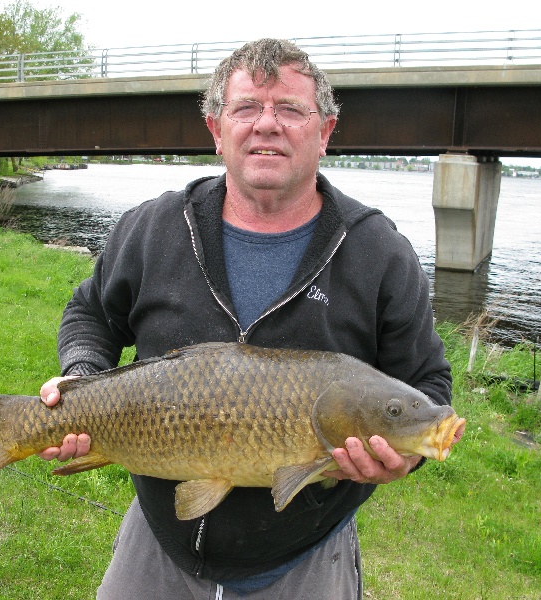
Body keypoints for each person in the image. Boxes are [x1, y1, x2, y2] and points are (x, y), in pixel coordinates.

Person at [38, 38, 458, 599]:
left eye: (290, 109)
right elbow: (91, 313)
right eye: (246, 109)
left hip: (303, 555)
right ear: (216, 128)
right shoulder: (153, 228)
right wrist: (83, 375)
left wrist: (403, 463)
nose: (267, 125)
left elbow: (428, 386)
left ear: (325, 131)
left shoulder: (378, 253)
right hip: (158, 538)